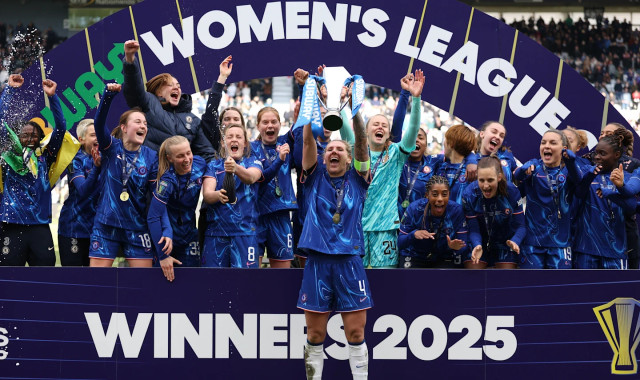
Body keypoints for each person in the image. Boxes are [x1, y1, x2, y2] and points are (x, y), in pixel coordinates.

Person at [297, 89, 370, 380]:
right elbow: (306, 139)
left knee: (355, 332)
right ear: (323, 155)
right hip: (317, 262)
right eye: (329, 149)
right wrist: (310, 100)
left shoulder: (359, 178)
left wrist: (353, 110)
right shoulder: (313, 176)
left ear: (350, 158)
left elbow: (362, 142)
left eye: (340, 149)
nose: (334, 151)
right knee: (315, 334)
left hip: (349, 261)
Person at [0, 78, 68, 266]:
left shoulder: (46, 157)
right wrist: (10, 91)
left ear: (40, 138)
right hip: (11, 225)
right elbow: (1, 120)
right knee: (9, 279)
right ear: (17, 137)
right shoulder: (8, 154)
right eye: (25, 134)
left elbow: (61, 127)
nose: (30, 138)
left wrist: (53, 96)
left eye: (35, 135)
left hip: (39, 225)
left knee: (44, 276)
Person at [361, 70, 425, 269]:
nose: (380, 127)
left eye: (384, 125)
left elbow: (412, 130)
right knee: (353, 280)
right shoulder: (357, 154)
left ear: (389, 133)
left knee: (384, 281)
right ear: (366, 131)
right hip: (357, 226)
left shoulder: (397, 153)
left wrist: (415, 99)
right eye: (375, 124)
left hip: (386, 227)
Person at [89, 83, 158, 267]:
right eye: (138, 122)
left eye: (145, 123)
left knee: (142, 287)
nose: (143, 125)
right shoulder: (112, 147)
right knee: (97, 284)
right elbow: (98, 123)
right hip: (106, 225)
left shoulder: (151, 156)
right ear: (124, 128)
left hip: (136, 226)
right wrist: (108, 96)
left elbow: (156, 197)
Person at [122, 40, 218, 161]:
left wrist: (215, 174)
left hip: (180, 178)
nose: (176, 88)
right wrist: (130, 61)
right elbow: (134, 88)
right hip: (150, 174)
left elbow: (207, 154)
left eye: (178, 85)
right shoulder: (149, 103)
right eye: (170, 85)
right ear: (158, 92)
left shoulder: (193, 120)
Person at [514, 130, 581, 269]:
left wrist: (571, 162)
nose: (546, 146)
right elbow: (517, 177)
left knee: (559, 289)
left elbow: (579, 182)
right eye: (543, 142)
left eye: (553, 142)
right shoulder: (534, 167)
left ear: (564, 149)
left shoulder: (569, 170)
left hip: (560, 244)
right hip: (532, 243)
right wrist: (523, 169)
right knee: (530, 288)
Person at [201, 123, 263, 268]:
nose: (234, 140)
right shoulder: (213, 166)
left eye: (238, 137)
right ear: (223, 143)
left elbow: (251, 178)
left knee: (246, 284)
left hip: (245, 233)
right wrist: (218, 195)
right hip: (215, 233)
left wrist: (236, 169)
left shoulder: (253, 162)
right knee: (212, 284)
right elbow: (207, 195)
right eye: (230, 137)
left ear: (245, 143)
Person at [148, 135, 207, 281]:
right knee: (164, 283)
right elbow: (153, 216)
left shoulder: (200, 164)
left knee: (192, 282)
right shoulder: (167, 181)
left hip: (190, 234)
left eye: (188, 153)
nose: (187, 159)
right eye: (180, 156)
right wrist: (163, 256)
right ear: (169, 158)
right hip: (166, 238)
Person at [574, 135, 635, 269]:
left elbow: (632, 208)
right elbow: (578, 194)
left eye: (603, 153)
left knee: (617, 290)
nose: (597, 157)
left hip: (616, 249)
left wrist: (619, 189)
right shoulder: (586, 172)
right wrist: (589, 176)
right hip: (586, 249)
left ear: (617, 154)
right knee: (583, 290)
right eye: (596, 153)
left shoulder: (627, 177)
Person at [250, 107, 295, 268]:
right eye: (265, 122)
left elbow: (302, 125)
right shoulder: (250, 149)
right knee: (252, 275)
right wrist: (279, 160)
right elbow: (260, 178)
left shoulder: (286, 143)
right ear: (257, 126)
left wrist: (303, 88)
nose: (270, 126)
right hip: (256, 216)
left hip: (281, 216)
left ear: (280, 124)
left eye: (273, 122)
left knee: (282, 277)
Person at [462, 157, 525, 269]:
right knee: (473, 269)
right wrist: (477, 244)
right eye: (481, 180)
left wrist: (515, 241)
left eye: (490, 180)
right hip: (480, 241)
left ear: (499, 177)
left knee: (505, 279)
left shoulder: (511, 192)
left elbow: (521, 226)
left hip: (506, 242)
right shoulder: (469, 195)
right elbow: (474, 229)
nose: (486, 186)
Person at [398, 175, 468, 268]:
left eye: (444, 194)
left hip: (444, 257)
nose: (439, 199)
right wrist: (413, 235)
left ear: (449, 194)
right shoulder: (415, 209)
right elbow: (400, 242)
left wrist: (454, 247)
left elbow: (464, 245)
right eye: (435, 194)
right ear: (427, 195)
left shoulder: (456, 211)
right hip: (415, 255)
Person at [58, 118, 101, 266]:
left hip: (98, 230)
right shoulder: (75, 161)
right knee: (74, 280)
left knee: (96, 281)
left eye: (100, 133)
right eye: (93, 135)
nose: (98, 137)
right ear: (81, 139)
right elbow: (83, 190)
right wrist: (96, 167)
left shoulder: (108, 158)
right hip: (74, 228)